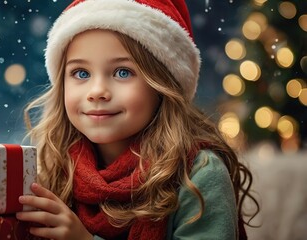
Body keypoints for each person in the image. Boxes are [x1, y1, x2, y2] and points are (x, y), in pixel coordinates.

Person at [16, 0, 259, 239]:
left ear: (162, 85)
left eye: (123, 72)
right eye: (81, 73)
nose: (97, 91)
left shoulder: (199, 174)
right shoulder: (56, 165)